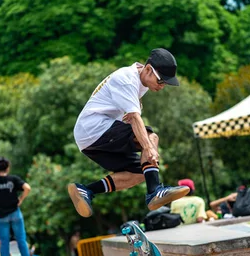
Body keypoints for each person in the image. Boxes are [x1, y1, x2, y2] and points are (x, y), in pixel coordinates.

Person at [68, 49, 190, 217]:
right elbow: (134, 118)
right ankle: (154, 191)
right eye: (160, 81)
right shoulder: (126, 79)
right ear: (147, 69)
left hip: (89, 140)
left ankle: (86, 190)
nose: (161, 86)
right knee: (151, 137)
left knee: (140, 173)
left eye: (165, 84)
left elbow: (131, 113)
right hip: (94, 128)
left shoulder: (141, 82)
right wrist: (148, 147)